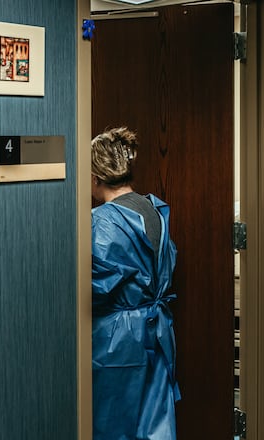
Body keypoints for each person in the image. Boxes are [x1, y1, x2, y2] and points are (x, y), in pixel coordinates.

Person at [90, 127, 180, 439]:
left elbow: (94, 289)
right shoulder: (153, 209)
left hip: (118, 339)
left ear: (95, 177)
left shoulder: (100, 221)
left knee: (114, 424)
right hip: (157, 332)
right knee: (156, 422)